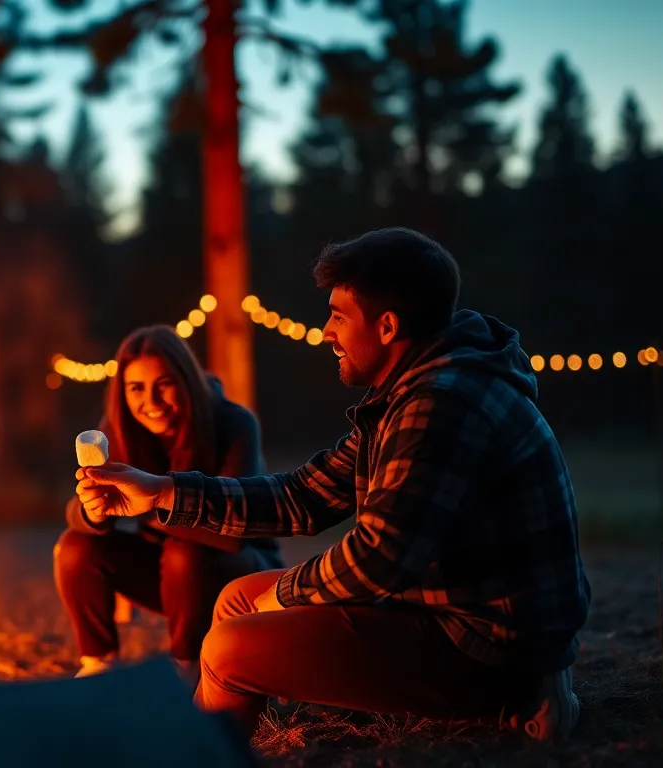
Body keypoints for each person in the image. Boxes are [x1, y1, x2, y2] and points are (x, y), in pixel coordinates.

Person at [74, 228, 591, 743]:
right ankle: (204, 738)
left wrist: (283, 594)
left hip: (488, 644)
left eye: (339, 317)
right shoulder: (412, 392)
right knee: (235, 598)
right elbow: (301, 496)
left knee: (228, 648)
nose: (325, 331)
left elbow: (379, 558)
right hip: (446, 609)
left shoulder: (440, 404)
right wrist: (161, 490)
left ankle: (520, 698)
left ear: (387, 326)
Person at [55, 325, 284, 685]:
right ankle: (98, 666)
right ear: (122, 393)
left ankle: (187, 669)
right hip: (169, 578)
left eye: (164, 384)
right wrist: (93, 510)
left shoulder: (234, 423)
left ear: (187, 379)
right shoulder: (118, 429)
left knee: (184, 551)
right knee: (75, 546)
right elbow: (75, 514)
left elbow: (235, 535)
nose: (152, 401)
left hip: (239, 572)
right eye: (136, 388)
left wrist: (147, 502)